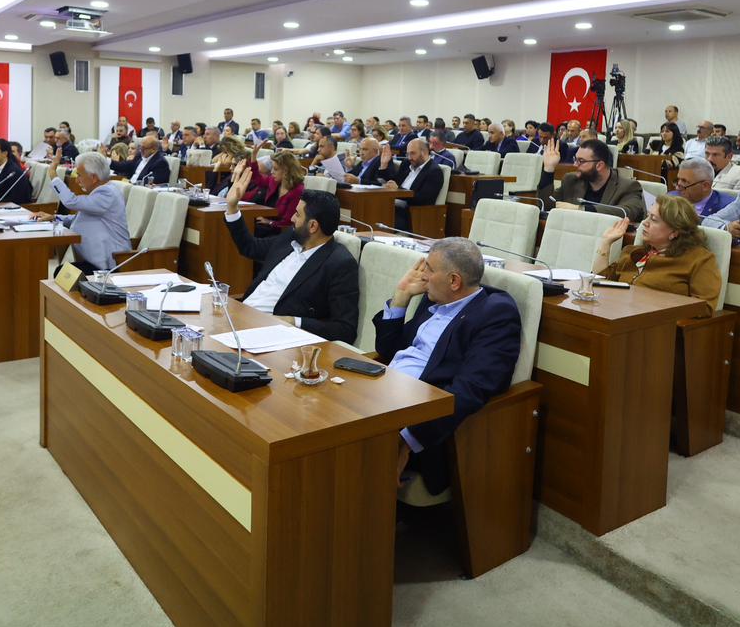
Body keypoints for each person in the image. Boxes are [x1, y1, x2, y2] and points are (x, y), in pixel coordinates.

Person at [373, 238, 522, 495]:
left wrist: (406, 439)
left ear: (454, 281)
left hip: (419, 418)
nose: (422, 275)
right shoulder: (435, 298)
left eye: (429, 269)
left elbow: (470, 390)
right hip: (382, 394)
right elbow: (388, 350)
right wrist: (401, 296)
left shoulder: (496, 315)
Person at [222, 160, 359, 341]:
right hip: (240, 316)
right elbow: (250, 247)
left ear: (313, 226)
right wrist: (232, 207)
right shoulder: (290, 239)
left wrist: (294, 321)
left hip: (270, 335)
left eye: (297, 214)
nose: (292, 218)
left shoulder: (339, 263)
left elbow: (345, 329)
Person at [591, 196, 722, 306]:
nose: (644, 223)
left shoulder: (699, 259)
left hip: (657, 324)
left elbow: (704, 307)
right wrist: (606, 242)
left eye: (653, 219)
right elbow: (600, 281)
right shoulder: (634, 252)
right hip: (617, 313)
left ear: (675, 231)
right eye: (647, 216)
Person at [51, 152, 131, 275]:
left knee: (63, 274)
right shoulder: (101, 192)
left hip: (110, 266)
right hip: (95, 260)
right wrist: (54, 218)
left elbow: (71, 201)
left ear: (93, 178)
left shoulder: (107, 193)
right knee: (62, 273)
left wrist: (53, 174)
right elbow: (80, 218)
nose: (77, 180)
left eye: (79, 175)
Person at [539, 138, 644, 220]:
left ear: (599, 165)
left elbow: (627, 212)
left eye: (581, 161)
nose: (575, 165)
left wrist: (581, 209)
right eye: (575, 159)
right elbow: (547, 206)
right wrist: (549, 169)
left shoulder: (628, 186)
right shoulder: (571, 180)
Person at [387, 136, 444, 231]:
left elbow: (423, 199)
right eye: (407, 154)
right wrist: (384, 165)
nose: (409, 157)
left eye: (412, 153)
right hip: (393, 206)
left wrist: (398, 191)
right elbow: (394, 181)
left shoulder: (434, 171)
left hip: (412, 214)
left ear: (424, 152)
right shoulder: (406, 164)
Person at [0, 139, 34, 204]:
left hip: (18, 207)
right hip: (1, 204)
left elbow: (15, 199)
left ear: (5, 153)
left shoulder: (14, 172)